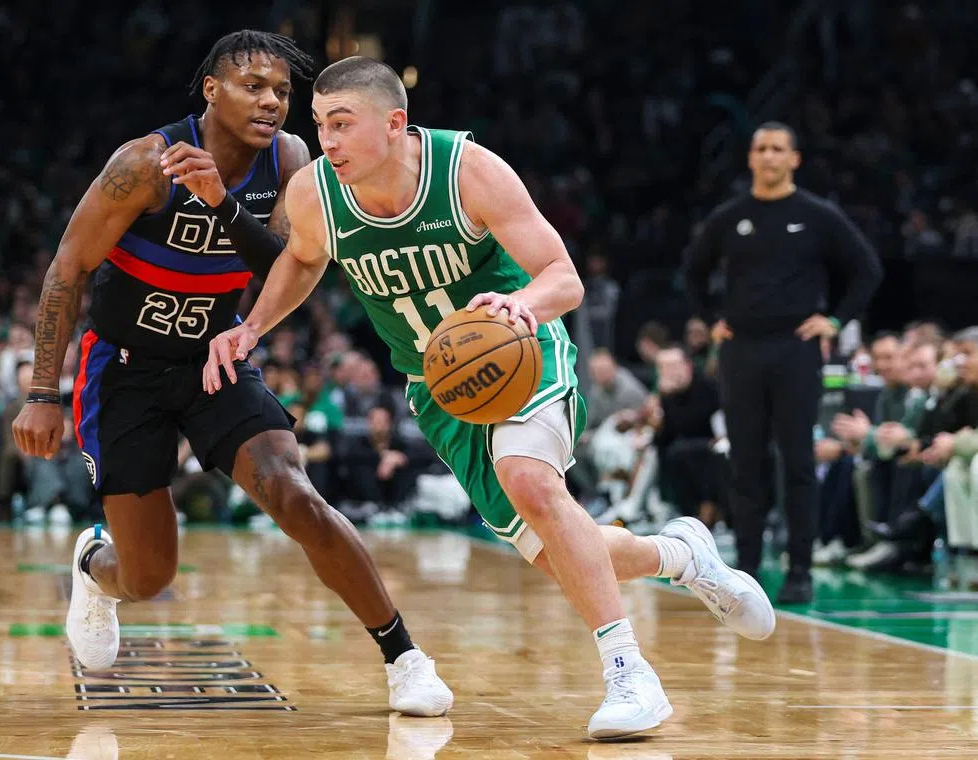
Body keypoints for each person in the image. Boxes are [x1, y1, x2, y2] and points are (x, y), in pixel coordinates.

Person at [204, 56, 775, 741]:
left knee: (527, 477)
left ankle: (631, 674)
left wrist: (521, 305)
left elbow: (563, 277)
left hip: (520, 350)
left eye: (343, 123)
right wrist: (252, 326)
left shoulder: (466, 171)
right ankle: (680, 556)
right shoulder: (315, 194)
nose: (326, 139)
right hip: (439, 388)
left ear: (394, 123)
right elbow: (302, 257)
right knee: (551, 547)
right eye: (321, 124)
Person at [11, 32, 452, 717]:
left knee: (292, 492)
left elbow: (283, 263)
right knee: (150, 574)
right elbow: (69, 266)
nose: (271, 101)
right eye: (253, 85)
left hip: (212, 360)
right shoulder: (144, 164)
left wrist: (222, 202)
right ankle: (93, 570)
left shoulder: (289, 158)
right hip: (124, 372)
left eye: (281, 90)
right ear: (212, 91)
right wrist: (43, 391)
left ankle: (405, 658)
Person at [683, 122, 883, 604]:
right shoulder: (730, 218)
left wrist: (834, 320)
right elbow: (693, 270)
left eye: (777, 149)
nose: (768, 156)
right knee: (745, 463)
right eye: (760, 148)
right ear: (750, 158)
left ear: (795, 159)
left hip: (795, 348)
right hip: (741, 349)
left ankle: (799, 570)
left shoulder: (817, 215)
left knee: (797, 461)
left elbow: (867, 270)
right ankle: (746, 573)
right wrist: (712, 319)